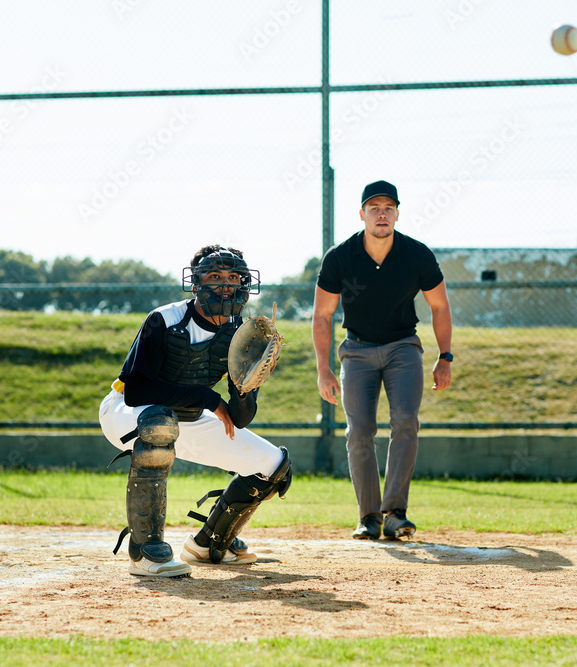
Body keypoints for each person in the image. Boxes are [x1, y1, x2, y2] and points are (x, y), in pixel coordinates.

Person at [99, 245, 291, 578]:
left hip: (186, 418)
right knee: (159, 423)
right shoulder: (165, 319)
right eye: (215, 276)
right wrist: (207, 397)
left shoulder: (242, 333)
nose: (225, 284)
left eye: (234, 277)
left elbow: (240, 418)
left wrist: (245, 390)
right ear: (196, 282)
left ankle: (209, 542)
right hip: (128, 413)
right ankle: (147, 552)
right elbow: (136, 392)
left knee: (275, 465)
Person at [312, 180, 453, 541]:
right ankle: (368, 516)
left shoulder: (416, 254)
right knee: (359, 430)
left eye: (388, 208)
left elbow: (439, 305)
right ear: (362, 214)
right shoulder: (340, 257)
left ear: (397, 214)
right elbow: (323, 315)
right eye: (374, 207)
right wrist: (324, 368)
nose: (381, 213)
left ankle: (395, 513)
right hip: (356, 351)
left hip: (403, 347)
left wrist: (444, 357)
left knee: (405, 421)